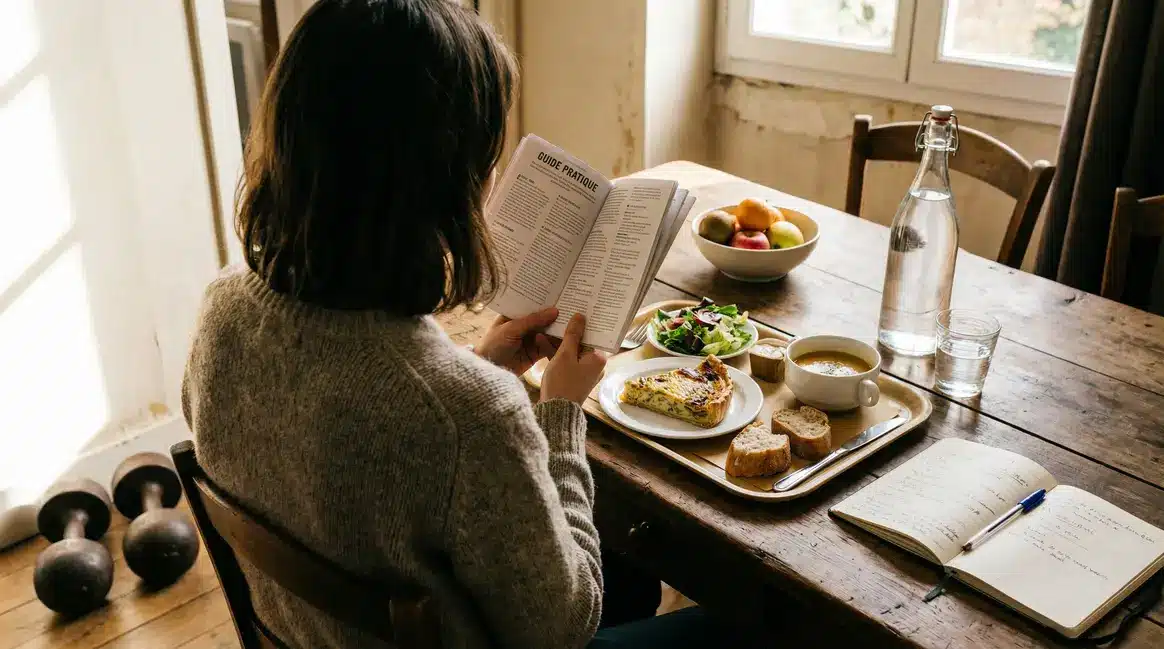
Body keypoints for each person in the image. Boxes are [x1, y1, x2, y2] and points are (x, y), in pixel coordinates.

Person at [181, 1, 728, 647]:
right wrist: (558, 412)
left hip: (306, 632)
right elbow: (563, 624)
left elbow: (351, 439)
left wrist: (481, 365)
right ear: (439, 180)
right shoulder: (472, 416)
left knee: (630, 577)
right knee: (751, 622)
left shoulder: (222, 307)